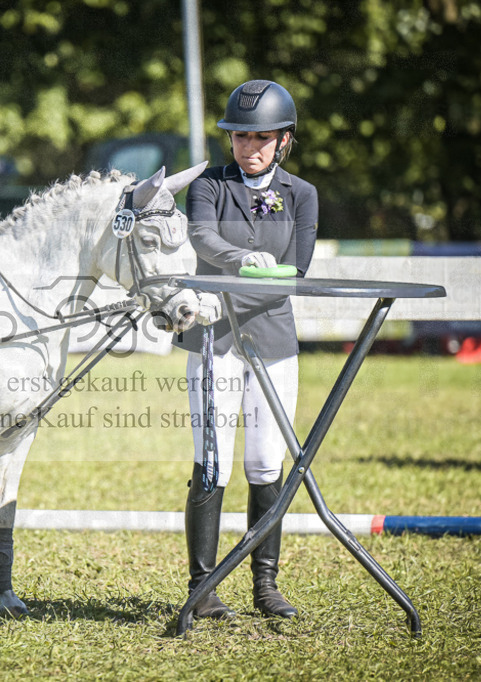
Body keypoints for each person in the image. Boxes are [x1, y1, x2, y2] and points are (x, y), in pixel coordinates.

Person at [177, 79, 318, 619]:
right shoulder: (210, 185)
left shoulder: (302, 195)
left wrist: (237, 276)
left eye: (261, 138)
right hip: (215, 339)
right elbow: (202, 239)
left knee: (265, 462)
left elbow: (296, 271)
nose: (248, 147)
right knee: (211, 462)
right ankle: (204, 586)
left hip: (274, 341)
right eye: (239, 137)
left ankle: (265, 584)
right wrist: (240, 260)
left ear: (283, 140)